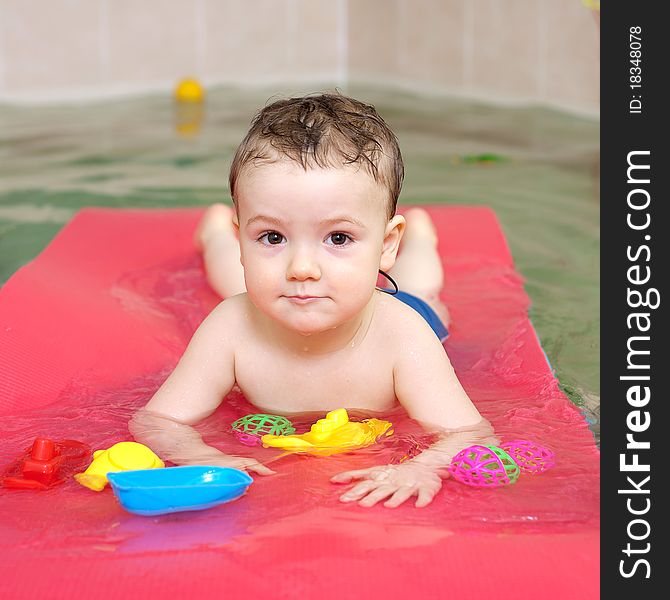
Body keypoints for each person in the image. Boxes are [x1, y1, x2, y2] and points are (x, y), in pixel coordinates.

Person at [130, 92, 495, 508]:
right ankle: (216, 234)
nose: (301, 267)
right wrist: (201, 456)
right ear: (243, 240)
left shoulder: (403, 333)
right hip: (269, 294)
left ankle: (422, 238)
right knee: (234, 284)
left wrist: (422, 465)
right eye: (271, 236)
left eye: (338, 238)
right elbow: (158, 420)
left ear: (386, 243)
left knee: (422, 288)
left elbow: (468, 432)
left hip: (401, 300)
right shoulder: (232, 326)